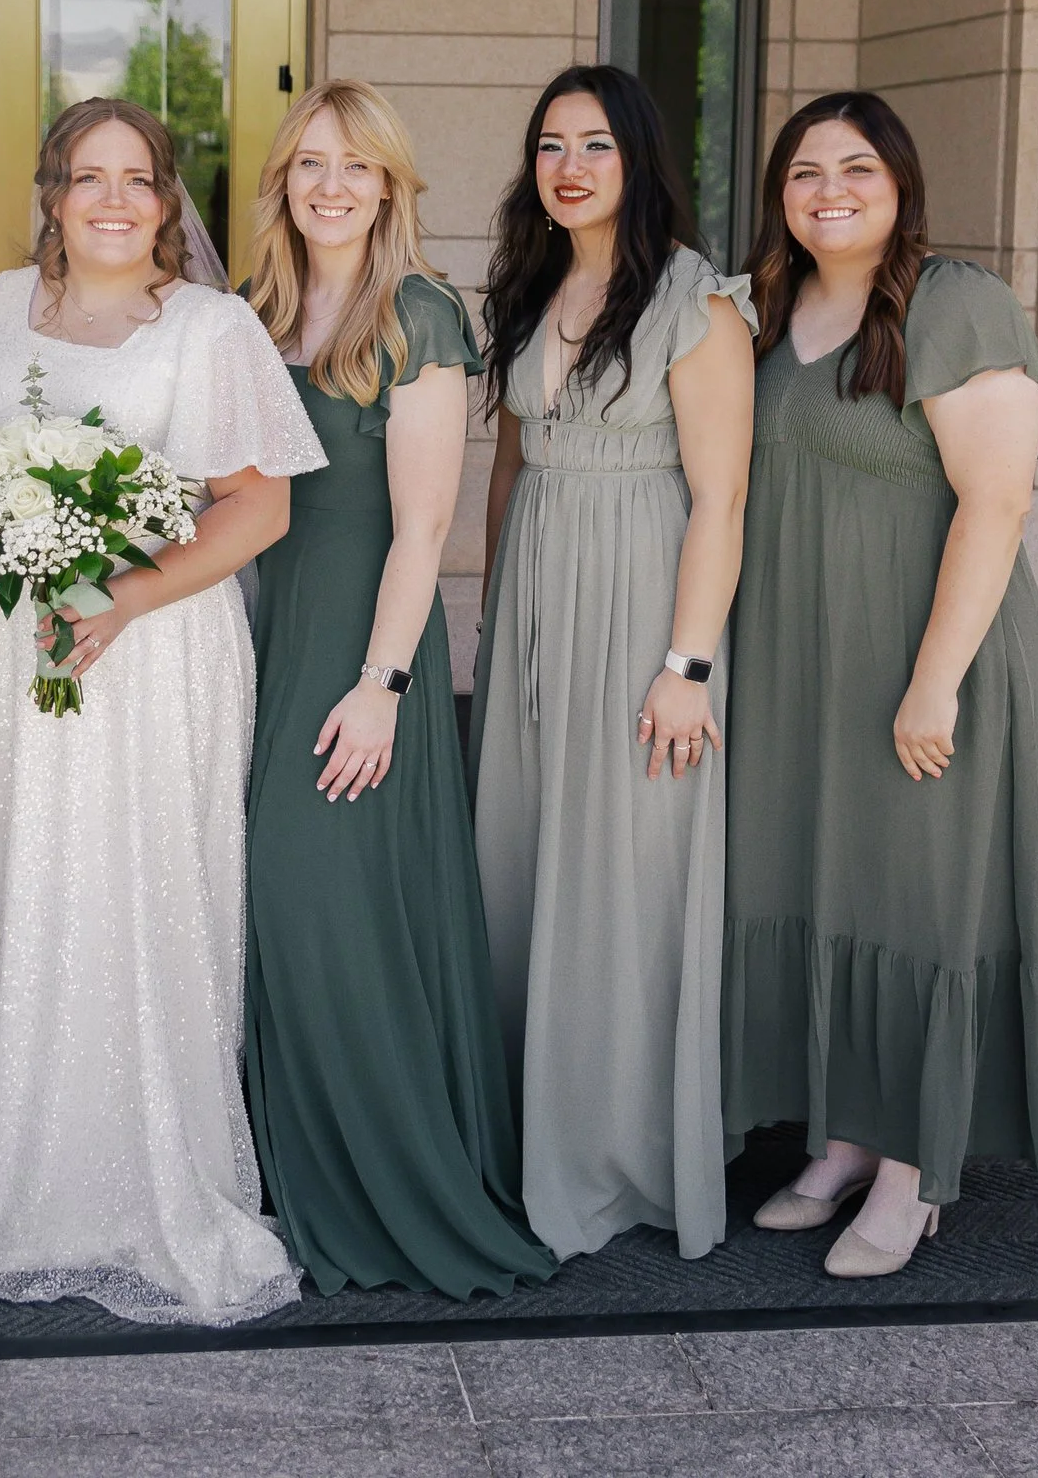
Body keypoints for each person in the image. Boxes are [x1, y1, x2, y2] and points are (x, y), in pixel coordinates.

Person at [0, 97, 325, 1327]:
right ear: (50, 192)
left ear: (169, 202)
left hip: (152, 648)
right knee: (30, 890)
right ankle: (31, 1180)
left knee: (141, 892)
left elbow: (256, 511)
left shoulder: (209, 326)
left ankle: (148, 1186)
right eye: (86, 176)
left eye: (139, 178)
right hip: (21, 647)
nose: (113, 199)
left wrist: (115, 594)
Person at [723, 89, 1038, 1277]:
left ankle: (919, 1170)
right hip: (801, 659)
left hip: (930, 653)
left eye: (856, 167)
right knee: (831, 887)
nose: (828, 190)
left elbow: (998, 498)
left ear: (900, 181)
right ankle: (847, 1133)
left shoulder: (955, 301)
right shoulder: (771, 309)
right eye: (803, 171)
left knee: (926, 905)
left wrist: (934, 682)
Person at [239, 79, 558, 1299]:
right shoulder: (255, 310)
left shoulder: (418, 311)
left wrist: (379, 684)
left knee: (327, 902)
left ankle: (382, 1179)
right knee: (271, 910)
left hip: (361, 646)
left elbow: (425, 529)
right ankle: (292, 1162)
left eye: (355, 165)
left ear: (389, 185)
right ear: (283, 180)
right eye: (309, 162)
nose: (330, 184)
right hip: (262, 632)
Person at [470, 64, 754, 1264]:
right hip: (539, 592)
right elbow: (511, 466)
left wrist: (685, 662)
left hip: (646, 600)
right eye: (549, 144)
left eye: (593, 144)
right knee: (525, 861)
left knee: (628, 879)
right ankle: (527, 1137)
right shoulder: (533, 285)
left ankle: (624, 1157)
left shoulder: (698, 302)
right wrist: (495, 617)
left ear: (636, 159)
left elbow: (723, 496)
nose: (569, 165)